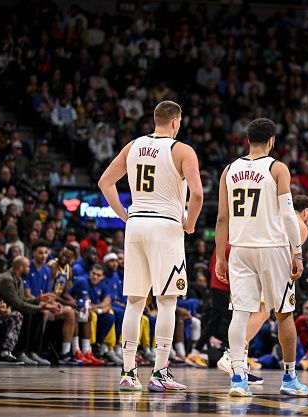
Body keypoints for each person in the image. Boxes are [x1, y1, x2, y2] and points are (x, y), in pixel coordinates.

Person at [98, 100, 203, 391]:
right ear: (175, 121)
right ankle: (160, 372)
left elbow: (105, 182)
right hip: (165, 225)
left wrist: (123, 213)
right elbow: (197, 194)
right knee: (168, 301)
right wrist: (190, 224)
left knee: (134, 301)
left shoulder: (132, 146)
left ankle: (128, 372)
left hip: (136, 224)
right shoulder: (182, 150)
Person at [215, 118, 307, 397]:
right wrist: (297, 252)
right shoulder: (277, 168)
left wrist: (221, 257)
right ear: (271, 141)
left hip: (239, 248)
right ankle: (290, 378)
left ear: (247, 140)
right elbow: (288, 215)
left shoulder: (229, 169)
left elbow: (221, 218)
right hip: (272, 247)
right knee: (284, 314)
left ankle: (238, 378)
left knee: (240, 313)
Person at [215, 193, 308, 385]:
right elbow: (290, 254)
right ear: (306, 211)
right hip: (271, 266)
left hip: (245, 254)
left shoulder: (273, 214)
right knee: (267, 312)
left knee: (246, 312)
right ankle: (231, 355)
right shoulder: (299, 224)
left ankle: (239, 365)